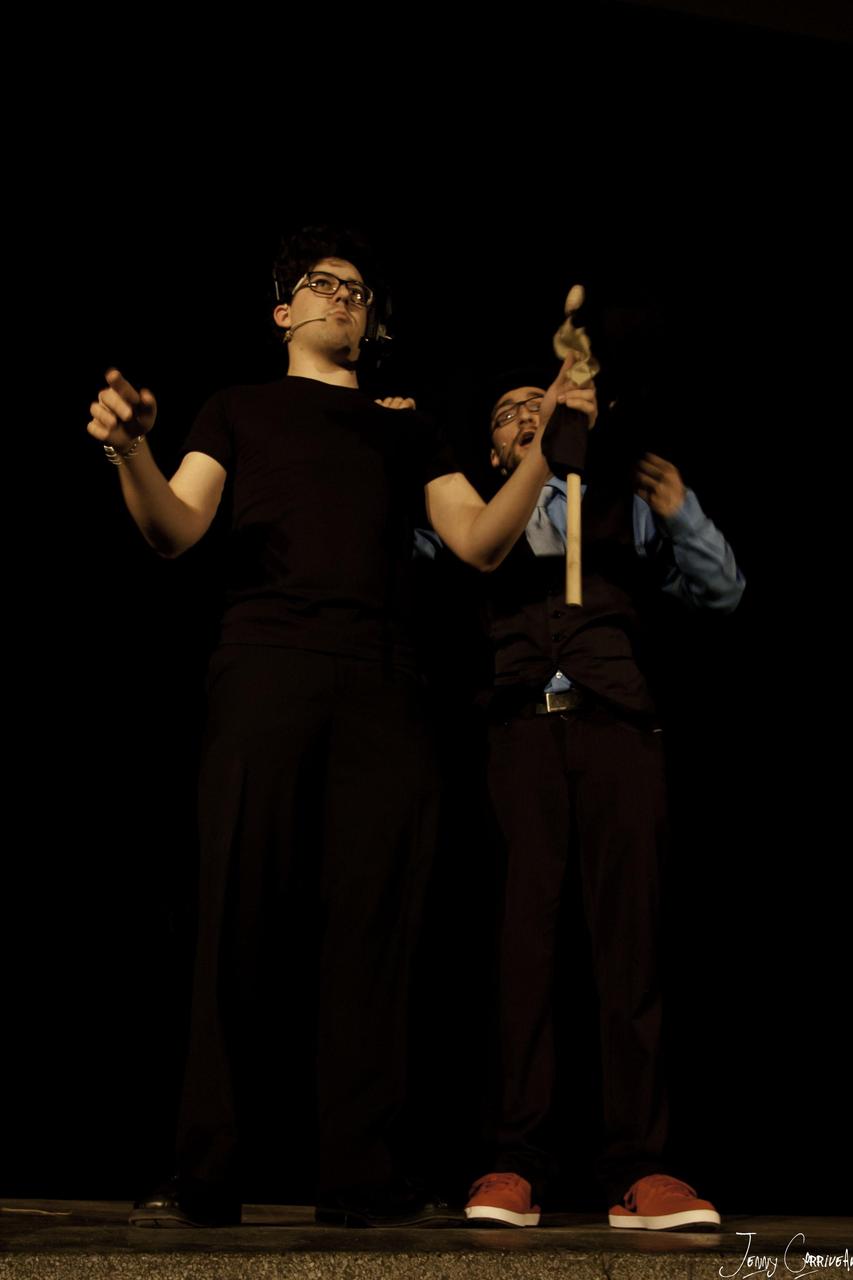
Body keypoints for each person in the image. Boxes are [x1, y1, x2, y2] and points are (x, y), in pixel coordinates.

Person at [86, 230, 584, 1229]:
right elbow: (175, 529)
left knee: (374, 927)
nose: (344, 297)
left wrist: (552, 440)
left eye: (359, 291)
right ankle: (207, 1168)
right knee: (237, 911)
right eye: (323, 285)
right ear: (284, 313)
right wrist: (131, 449)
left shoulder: (407, 428)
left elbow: (481, 542)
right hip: (265, 668)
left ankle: (361, 1173)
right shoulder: (236, 407)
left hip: (383, 686)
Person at [462, 372, 744, 1231]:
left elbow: (722, 592)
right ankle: (515, 1161)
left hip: (618, 733)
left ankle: (642, 1166)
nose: (527, 416)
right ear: (493, 449)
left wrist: (681, 511)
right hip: (519, 738)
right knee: (522, 951)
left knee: (629, 951)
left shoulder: (621, 504)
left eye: (535, 404)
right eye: (507, 414)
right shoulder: (474, 512)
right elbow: (407, 550)